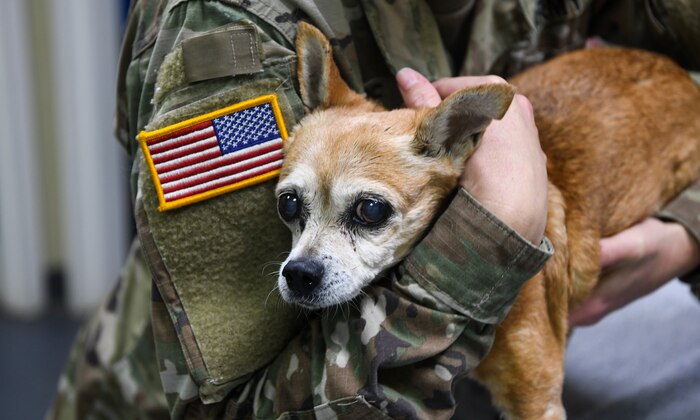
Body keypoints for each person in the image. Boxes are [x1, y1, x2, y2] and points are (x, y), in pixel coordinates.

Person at [49, 0, 700, 419]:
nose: (302, 252)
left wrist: (688, 229)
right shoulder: (230, 29)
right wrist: (487, 236)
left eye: (365, 213)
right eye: (292, 210)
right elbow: (234, 401)